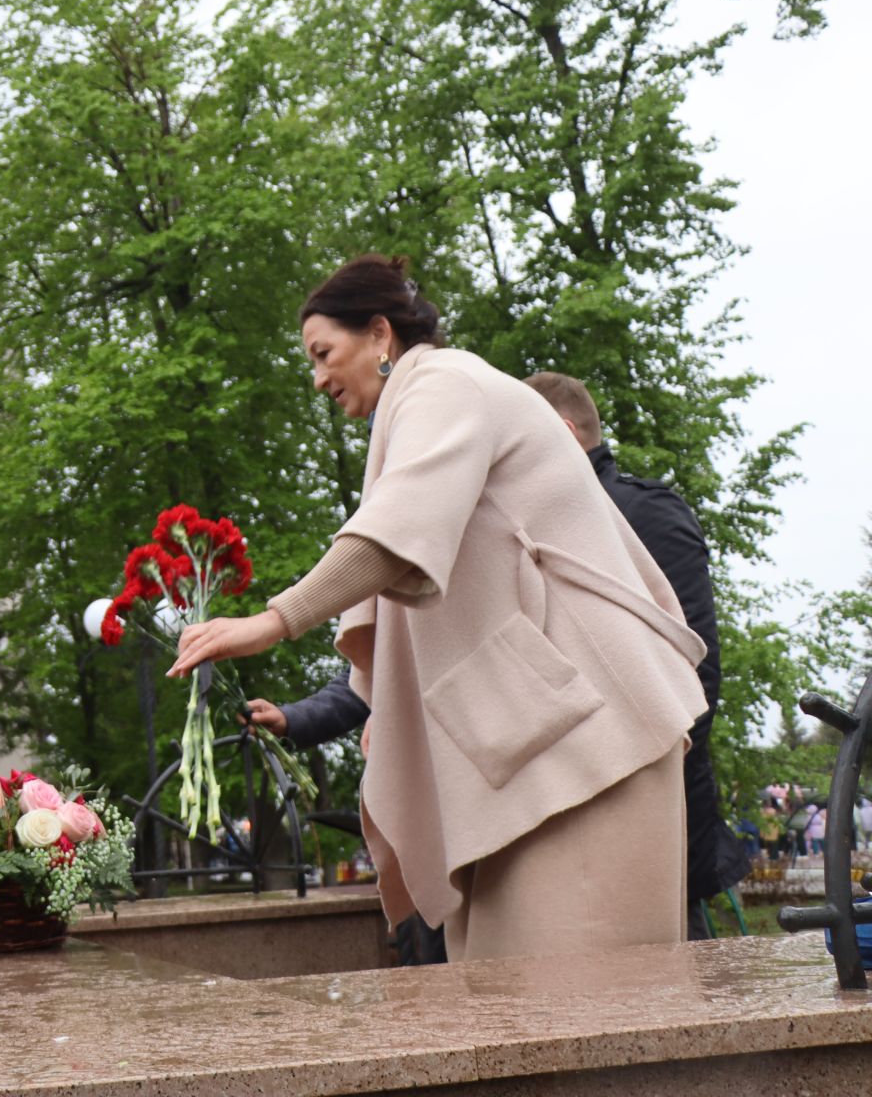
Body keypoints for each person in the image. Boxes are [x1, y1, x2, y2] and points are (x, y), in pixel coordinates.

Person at [168, 255, 707, 963]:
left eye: (324, 353)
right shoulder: (420, 406)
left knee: (581, 1005)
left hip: (592, 743)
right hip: (542, 740)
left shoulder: (445, 383)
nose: (318, 378)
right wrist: (391, 712)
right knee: (517, 1005)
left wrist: (273, 621)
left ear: (381, 334)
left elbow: (396, 535)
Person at [522, 372, 752, 937]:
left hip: (654, 793)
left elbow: (694, 664)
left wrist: (646, 774)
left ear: (561, 432)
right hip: (567, 796)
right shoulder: (528, 526)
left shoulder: (644, 512)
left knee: (676, 980)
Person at [245, 674, 447, 965]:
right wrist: (290, 718)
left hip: (494, 802)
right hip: (422, 826)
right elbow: (367, 675)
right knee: (423, 956)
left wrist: (404, 710)